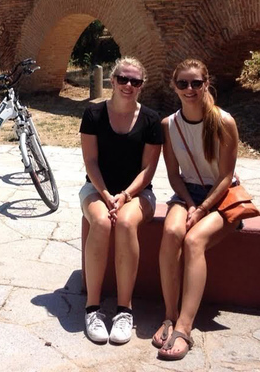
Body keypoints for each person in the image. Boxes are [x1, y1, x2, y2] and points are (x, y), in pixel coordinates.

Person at [153, 58, 241, 360]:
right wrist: (190, 204)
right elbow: (174, 175)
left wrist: (202, 208)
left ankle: (184, 328)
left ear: (206, 83)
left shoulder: (224, 121)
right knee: (171, 230)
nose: (189, 89)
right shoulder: (169, 125)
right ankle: (169, 314)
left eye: (196, 83)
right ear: (173, 86)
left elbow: (226, 176)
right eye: (183, 84)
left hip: (220, 197)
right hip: (187, 193)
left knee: (193, 241)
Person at [80, 57, 163, 344]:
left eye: (135, 81)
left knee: (127, 222)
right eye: (124, 79)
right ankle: (92, 308)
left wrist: (125, 195)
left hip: (139, 193)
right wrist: (106, 195)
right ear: (112, 80)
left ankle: (124, 309)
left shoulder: (151, 120)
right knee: (101, 222)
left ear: (141, 86)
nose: (129, 85)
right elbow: (90, 162)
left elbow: (148, 170)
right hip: (97, 189)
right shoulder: (93, 115)